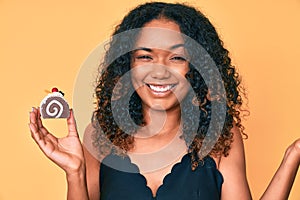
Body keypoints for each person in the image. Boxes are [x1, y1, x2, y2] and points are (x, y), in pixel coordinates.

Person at [29, 2, 300, 200]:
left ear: (196, 68)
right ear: (128, 65)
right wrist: (74, 172)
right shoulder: (101, 135)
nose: (159, 71)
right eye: (145, 57)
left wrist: (293, 157)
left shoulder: (220, 139)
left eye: (177, 57)